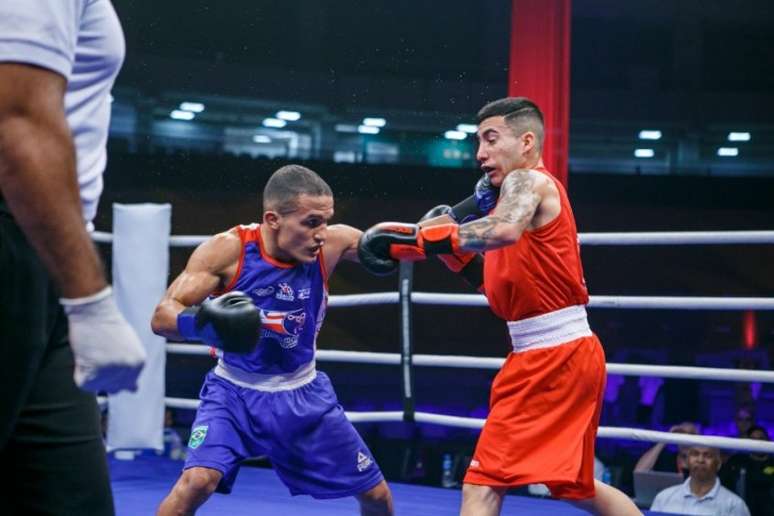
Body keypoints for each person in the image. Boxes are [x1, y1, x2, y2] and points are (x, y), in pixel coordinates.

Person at [357, 97, 640, 515]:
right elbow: (500, 290)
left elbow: (502, 229)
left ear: (527, 142)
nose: (480, 154)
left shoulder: (528, 182)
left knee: (482, 485)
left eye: (491, 139)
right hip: (552, 354)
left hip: (554, 357)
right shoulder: (515, 202)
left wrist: (422, 239)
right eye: (478, 142)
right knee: (573, 486)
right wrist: (452, 254)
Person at [151, 164, 393, 515]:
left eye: (326, 221)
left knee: (376, 496)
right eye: (311, 222)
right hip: (233, 392)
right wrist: (204, 323)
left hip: (304, 395)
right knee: (197, 482)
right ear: (273, 218)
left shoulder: (333, 243)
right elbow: (162, 316)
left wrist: (455, 223)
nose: (321, 233)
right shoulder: (227, 251)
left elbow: (394, 245)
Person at [0, 1, 146, 514]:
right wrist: (90, 302)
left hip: (37, 258)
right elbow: (14, 122)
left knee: (70, 498)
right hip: (14, 240)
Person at [651, 446, 750, 515]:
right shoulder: (664, 498)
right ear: (687, 461)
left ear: (718, 464)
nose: (700, 460)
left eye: (708, 455)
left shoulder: (734, 505)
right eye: (695, 454)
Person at [720, 426, 774, 516]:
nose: (757, 443)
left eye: (761, 439)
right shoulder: (737, 461)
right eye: (753, 439)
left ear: (768, 440)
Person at [634, 421, 699, 476]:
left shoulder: (701, 464)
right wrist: (666, 437)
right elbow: (639, 472)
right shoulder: (667, 459)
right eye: (682, 434)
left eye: (691, 434)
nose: (686, 439)